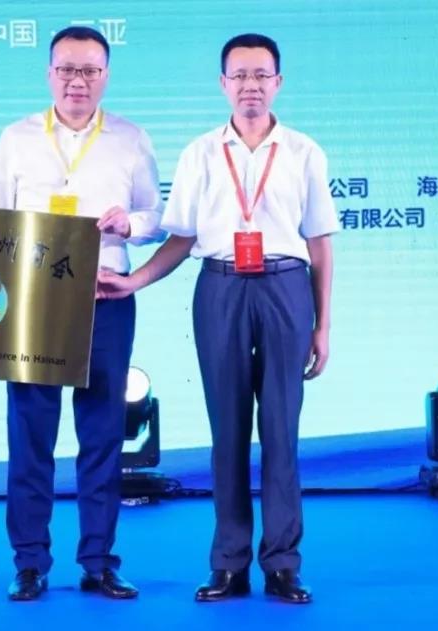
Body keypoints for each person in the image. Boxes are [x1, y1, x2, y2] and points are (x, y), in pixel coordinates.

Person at [98, 33, 338, 604]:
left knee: (281, 428)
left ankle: (283, 564)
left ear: (278, 82)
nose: (251, 85)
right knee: (227, 430)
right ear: (223, 84)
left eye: (261, 75)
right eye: (240, 75)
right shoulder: (201, 153)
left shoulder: (304, 151)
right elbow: (181, 238)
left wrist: (323, 325)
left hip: (285, 286)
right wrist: (133, 280)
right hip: (220, 288)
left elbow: (320, 243)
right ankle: (228, 564)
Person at [0, 25, 163, 600]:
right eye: (66, 69)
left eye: (89, 70)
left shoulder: (131, 139)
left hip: (105, 298)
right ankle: (29, 562)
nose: (77, 81)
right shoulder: (17, 138)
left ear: (106, 75)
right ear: (49, 74)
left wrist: (130, 223)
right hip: (33, 302)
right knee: (30, 435)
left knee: (103, 434)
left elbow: (157, 216)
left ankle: (99, 561)